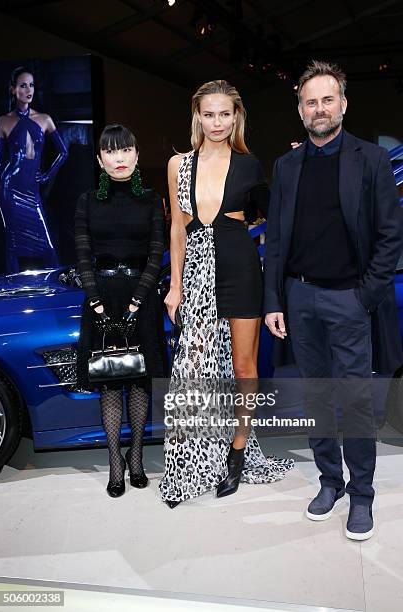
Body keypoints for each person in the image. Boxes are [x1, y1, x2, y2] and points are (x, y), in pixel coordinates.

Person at [264, 60, 403, 540]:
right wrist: (274, 300)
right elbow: (276, 241)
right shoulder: (285, 166)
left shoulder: (371, 159)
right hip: (300, 299)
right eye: (310, 101)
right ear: (299, 110)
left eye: (327, 100)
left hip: (349, 300)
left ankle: (361, 495)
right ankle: (330, 482)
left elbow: (390, 237)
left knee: (357, 401)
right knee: (317, 397)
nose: (319, 109)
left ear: (343, 104)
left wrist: (366, 295)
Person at [160, 79, 294, 508]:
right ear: (197, 116)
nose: (217, 122)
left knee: (243, 366)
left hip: (240, 266)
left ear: (236, 116)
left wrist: (296, 169)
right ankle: (189, 462)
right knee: (194, 366)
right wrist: (175, 284)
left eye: (225, 113)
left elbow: (276, 218)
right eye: (209, 113)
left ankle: (237, 450)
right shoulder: (177, 164)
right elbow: (178, 229)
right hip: (196, 271)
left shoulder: (250, 164)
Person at [75, 124, 167, 498]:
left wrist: (137, 300)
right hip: (101, 298)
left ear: (136, 155)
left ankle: (136, 459)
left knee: (140, 380)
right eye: (111, 152)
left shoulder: (150, 198)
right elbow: (82, 254)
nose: (120, 157)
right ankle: (115, 463)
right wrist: (96, 300)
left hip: (141, 298)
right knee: (110, 381)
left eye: (126, 150)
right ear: (100, 160)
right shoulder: (87, 201)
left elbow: (157, 253)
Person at [0, 66, 68, 273]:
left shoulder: (44, 119)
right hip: (8, 188)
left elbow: (63, 153)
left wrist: (46, 175)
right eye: (23, 85)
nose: (29, 90)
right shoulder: (3, 121)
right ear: (13, 90)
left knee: (48, 248)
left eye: (32, 85)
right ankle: (13, 291)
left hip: (31, 190)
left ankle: (56, 291)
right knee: (12, 243)